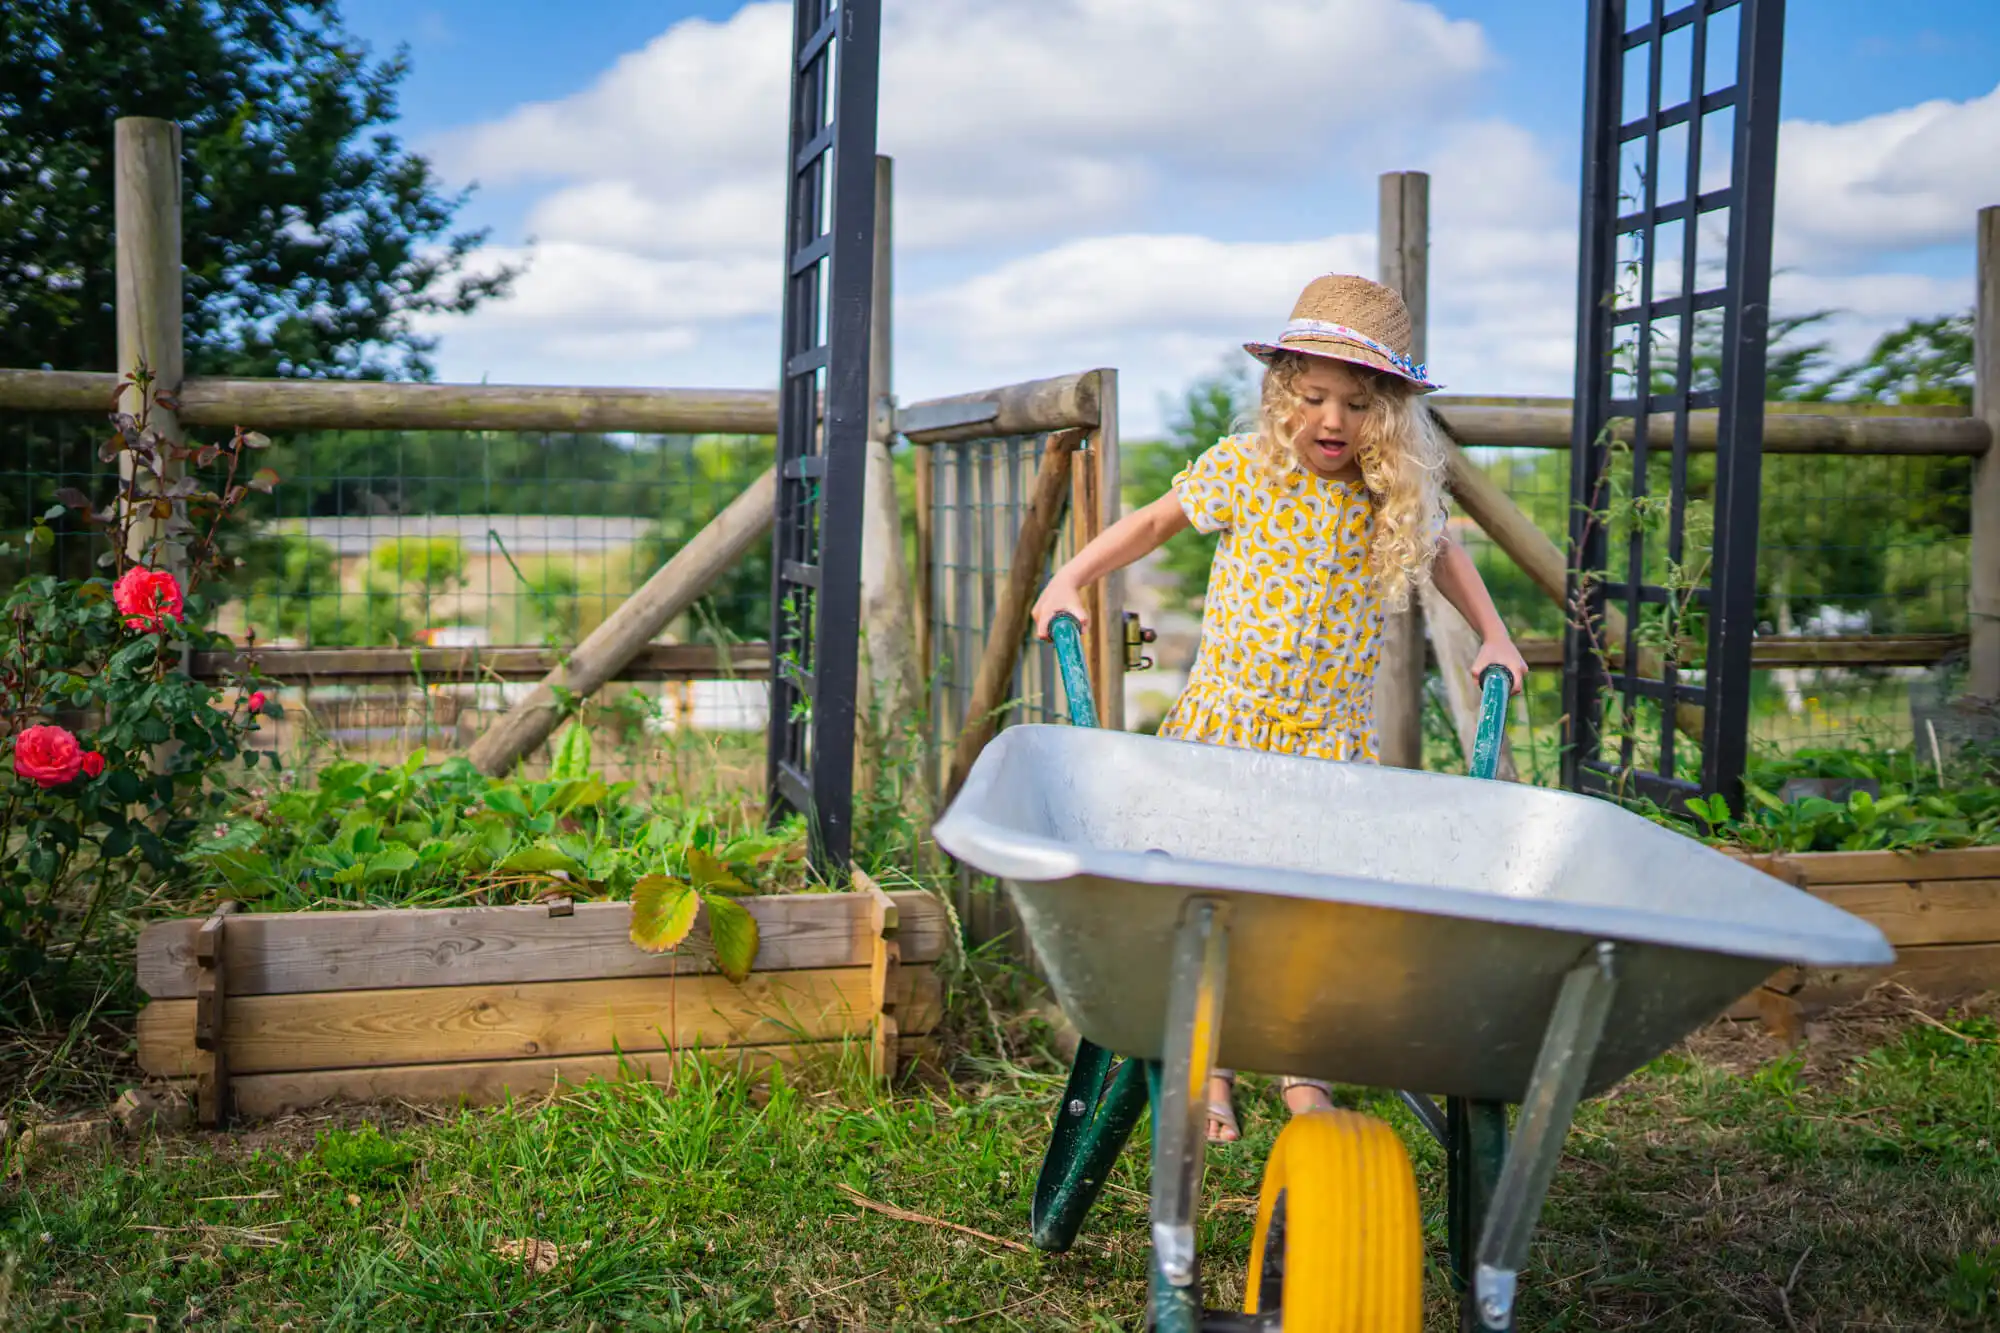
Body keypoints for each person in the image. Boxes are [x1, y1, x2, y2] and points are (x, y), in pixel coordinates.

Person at [1030, 273, 1529, 1142]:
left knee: (1310, 911)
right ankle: (1211, 1070)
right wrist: (1073, 575)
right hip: (1227, 728)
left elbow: (1447, 554)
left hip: (1327, 743)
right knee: (1216, 900)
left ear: (1389, 415)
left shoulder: (1387, 493)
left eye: (1357, 405)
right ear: (1280, 394)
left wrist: (1495, 635)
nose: (1333, 421)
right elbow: (1150, 525)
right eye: (1314, 397)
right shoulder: (1246, 468)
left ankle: (1305, 1070)